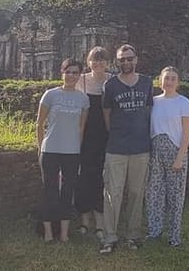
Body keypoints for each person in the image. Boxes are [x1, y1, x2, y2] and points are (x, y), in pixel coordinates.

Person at [99, 44, 153, 253]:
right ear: (117, 61)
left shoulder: (147, 83)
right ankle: (110, 236)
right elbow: (106, 114)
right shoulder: (110, 85)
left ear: (136, 59)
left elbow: (148, 111)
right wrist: (116, 134)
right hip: (117, 147)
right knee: (113, 192)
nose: (126, 62)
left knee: (136, 192)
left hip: (141, 146)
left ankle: (133, 234)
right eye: (122, 59)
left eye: (129, 58)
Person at [36, 58, 90, 243]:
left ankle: (65, 233)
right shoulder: (50, 95)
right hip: (50, 149)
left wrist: (78, 149)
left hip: (72, 152)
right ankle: (49, 233)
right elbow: (40, 124)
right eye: (68, 72)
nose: (71, 75)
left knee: (67, 191)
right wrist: (40, 148)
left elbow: (81, 128)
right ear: (62, 73)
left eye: (75, 72)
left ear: (80, 75)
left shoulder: (83, 99)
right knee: (49, 190)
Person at [145, 66, 189, 247]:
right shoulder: (153, 102)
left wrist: (180, 157)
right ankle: (154, 230)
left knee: (175, 195)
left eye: (173, 78)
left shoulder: (184, 103)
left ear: (178, 82)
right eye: (166, 78)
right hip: (155, 150)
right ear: (160, 81)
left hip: (175, 151)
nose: (169, 82)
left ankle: (174, 236)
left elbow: (187, 133)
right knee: (154, 193)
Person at [74, 46, 111, 242]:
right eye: (93, 60)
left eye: (101, 60)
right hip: (84, 136)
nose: (97, 63)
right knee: (84, 178)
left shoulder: (112, 81)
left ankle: (100, 221)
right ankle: (84, 219)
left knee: (101, 179)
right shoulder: (81, 81)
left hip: (105, 136)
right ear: (88, 62)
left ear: (107, 62)